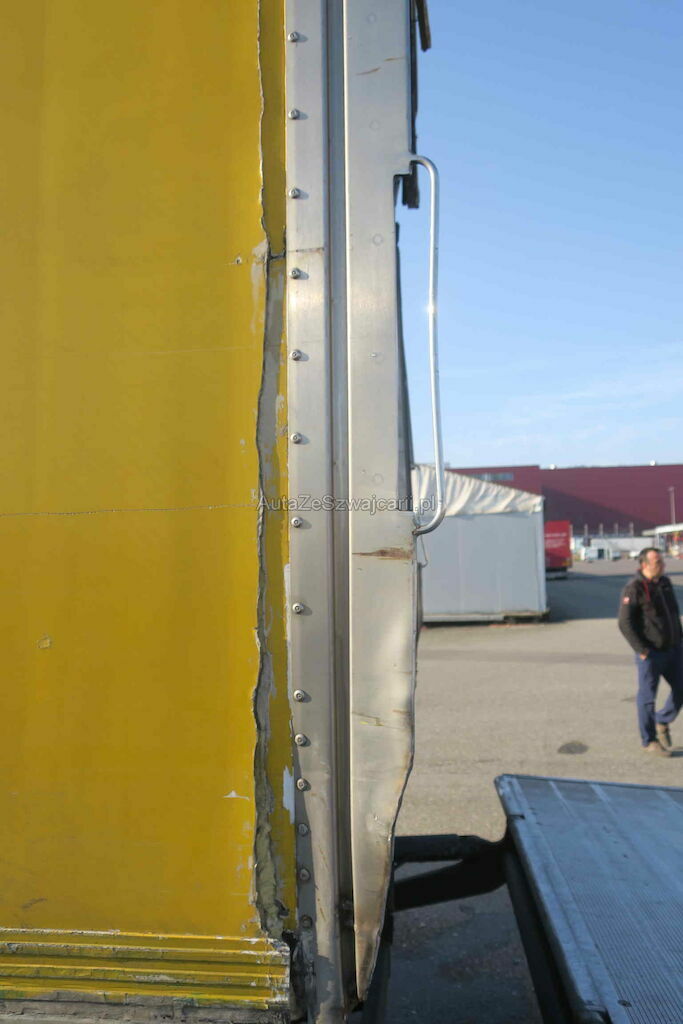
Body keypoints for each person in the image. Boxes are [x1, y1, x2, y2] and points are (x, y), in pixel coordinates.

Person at [618, 547, 683, 756]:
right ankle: (649, 741)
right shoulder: (634, 588)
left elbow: (673, 614)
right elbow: (625, 623)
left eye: (662, 561)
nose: (663, 565)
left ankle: (662, 719)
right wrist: (642, 650)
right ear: (644, 565)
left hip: (673, 649)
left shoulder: (664, 583)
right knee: (647, 698)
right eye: (658, 563)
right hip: (651, 653)